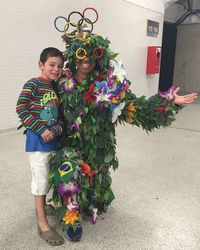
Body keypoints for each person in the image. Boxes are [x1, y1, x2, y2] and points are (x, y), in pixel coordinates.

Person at [49, 8, 198, 242]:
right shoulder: (60, 83)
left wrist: (167, 101)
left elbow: (135, 109)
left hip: (100, 148)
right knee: (67, 167)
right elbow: (41, 104)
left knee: (97, 184)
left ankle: (93, 202)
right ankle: (71, 215)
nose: (86, 60)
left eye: (91, 55)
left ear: (99, 56)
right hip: (71, 146)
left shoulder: (109, 86)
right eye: (80, 54)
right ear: (73, 55)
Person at [16, 47, 65, 246]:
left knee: (48, 176)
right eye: (52, 65)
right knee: (41, 180)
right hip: (38, 142)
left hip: (52, 140)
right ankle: (42, 224)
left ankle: (43, 206)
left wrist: (57, 129)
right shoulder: (34, 83)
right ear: (41, 65)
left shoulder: (56, 88)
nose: (56, 69)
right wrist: (40, 129)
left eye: (60, 66)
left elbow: (58, 115)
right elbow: (21, 107)